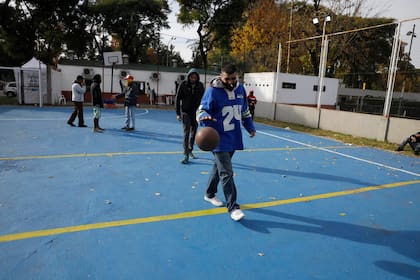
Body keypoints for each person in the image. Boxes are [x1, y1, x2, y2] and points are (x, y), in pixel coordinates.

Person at [197, 64, 256, 221]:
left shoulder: (241, 90)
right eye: (227, 78)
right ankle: (233, 207)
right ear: (221, 77)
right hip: (217, 138)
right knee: (227, 172)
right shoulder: (212, 91)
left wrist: (250, 126)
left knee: (219, 168)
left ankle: (209, 194)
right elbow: (201, 110)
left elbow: (244, 111)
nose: (230, 81)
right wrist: (204, 117)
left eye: (233, 78)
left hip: (234, 137)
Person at [176, 68, 205, 164]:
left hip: (195, 113)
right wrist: (178, 113)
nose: (193, 79)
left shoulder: (200, 86)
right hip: (185, 112)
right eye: (192, 77)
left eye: (195, 77)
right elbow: (177, 99)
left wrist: (203, 112)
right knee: (186, 132)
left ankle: (190, 149)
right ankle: (186, 154)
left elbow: (204, 99)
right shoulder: (183, 85)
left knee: (194, 132)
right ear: (189, 77)